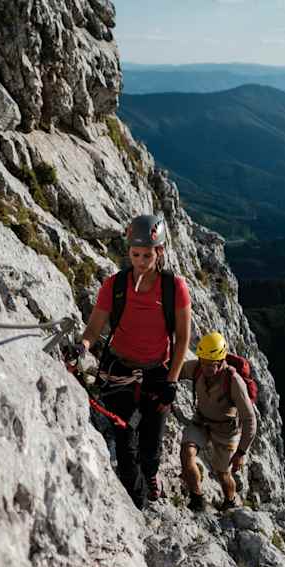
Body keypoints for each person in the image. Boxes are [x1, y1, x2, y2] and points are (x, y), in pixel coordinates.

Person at [77, 214, 192, 508]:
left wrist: (172, 380)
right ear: (128, 252)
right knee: (126, 448)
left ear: (160, 252)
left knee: (150, 448)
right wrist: (82, 347)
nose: (140, 261)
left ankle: (151, 473)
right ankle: (137, 504)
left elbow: (182, 338)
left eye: (147, 254)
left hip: (157, 375)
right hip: (121, 371)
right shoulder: (114, 286)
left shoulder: (174, 288)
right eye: (135, 254)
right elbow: (93, 329)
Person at [177, 332, 257, 511]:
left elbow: (250, 419)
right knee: (186, 453)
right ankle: (197, 497)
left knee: (223, 474)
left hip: (226, 431)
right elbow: (177, 369)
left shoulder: (234, 381)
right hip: (202, 422)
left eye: (210, 364)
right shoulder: (197, 367)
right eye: (202, 361)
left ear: (221, 361)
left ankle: (230, 500)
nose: (205, 368)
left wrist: (241, 452)